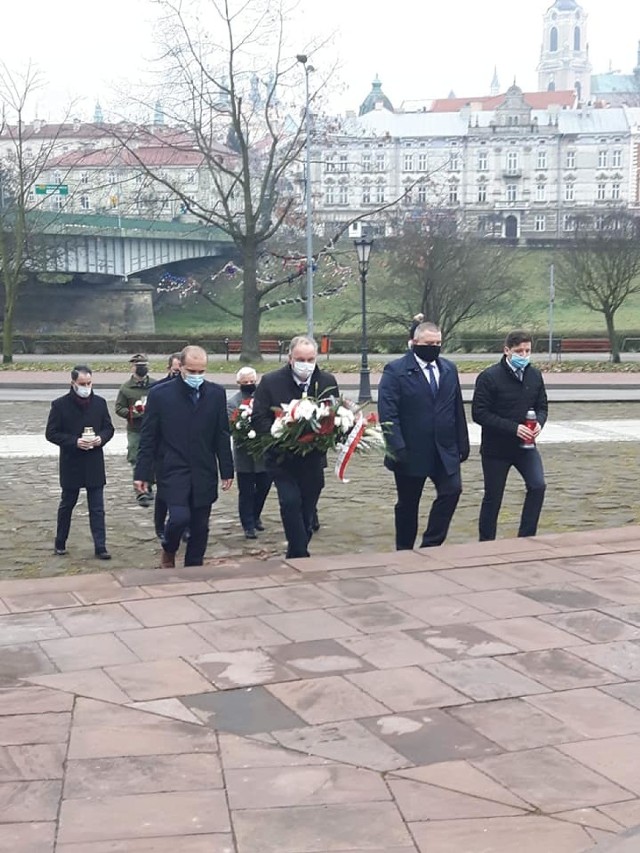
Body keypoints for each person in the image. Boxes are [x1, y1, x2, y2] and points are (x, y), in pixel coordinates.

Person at [134, 345, 234, 568]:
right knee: (179, 518)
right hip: (173, 468)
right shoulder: (161, 395)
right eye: (192, 371)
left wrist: (227, 469)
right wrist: (142, 473)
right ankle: (169, 549)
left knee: (200, 526)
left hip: (204, 468)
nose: (197, 376)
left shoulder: (216, 394)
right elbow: (148, 437)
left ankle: (194, 570)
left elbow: (221, 434)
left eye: (201, 372)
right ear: (181, 368)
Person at [378, 321, 469, 550]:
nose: (434, 347)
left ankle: (431, 543)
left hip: (444, 448)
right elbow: (388, 412)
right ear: (414, 343)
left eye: (438, 343)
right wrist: (397, 446)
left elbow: (456, 407)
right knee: (409, 504)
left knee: (452, 491)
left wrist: (463, 442)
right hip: (410, 450)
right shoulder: (396, 371)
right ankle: (405, 549)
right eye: (429, 343)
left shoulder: (448, 369)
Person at [252, 335, 339, 559]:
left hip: (313, 459)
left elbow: (334, 416)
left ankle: (300, 541)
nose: (306, 364)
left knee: (308, 507)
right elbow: (259, 418)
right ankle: (298, 552)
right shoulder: (271, 382)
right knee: (290, 502)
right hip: (282, 459)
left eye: (311, 359)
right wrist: (282, 434)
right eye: (301, 359)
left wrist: (325, 435)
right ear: (290, 358)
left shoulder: (327, 381)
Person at [472, 329, 548, 541]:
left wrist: (539, 423)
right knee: (493, 497)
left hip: (526, 447)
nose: (523, 355)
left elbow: (542, 406)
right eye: (518, 351)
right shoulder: (489, 377)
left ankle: (526, 536)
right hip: (496, 449)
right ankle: (486, 542)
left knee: (538, 485)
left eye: (527, 351)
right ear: (507, 351)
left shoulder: (534, 375)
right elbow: (479, 413)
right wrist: (513, 428)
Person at [45, 365, 115, 560]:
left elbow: (109, 428)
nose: (86, 387)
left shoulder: (99, 403)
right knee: (67, 504)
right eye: (82, 384)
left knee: (97, 508)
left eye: (89, 383)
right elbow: (51, 433)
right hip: (72, 462)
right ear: (73, 383)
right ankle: (60, 542)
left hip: (94, 462)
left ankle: (100, 546)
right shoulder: (60, 405)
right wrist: (74, 442)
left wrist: (100, 439)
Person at [227, 367, 273, 539]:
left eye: (252, 382)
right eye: (245, 382)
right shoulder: (232, 403)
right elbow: (231, 427)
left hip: (263, 452)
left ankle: (255, 515)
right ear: (238, 383)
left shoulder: (262, 400)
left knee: (263, 487)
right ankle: (247, 524)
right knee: (246, 491)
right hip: (244, 454)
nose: (249, 385)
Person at [115, 353, 157, 507]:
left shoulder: (155, 385)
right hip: (135, 429)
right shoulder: (126, 388)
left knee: (152, 457)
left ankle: (149, 485)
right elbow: (119, 408)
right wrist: (132, 413)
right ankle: (141, 490)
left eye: (144, 366)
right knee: (136, 457)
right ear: (132, 367)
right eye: (138, 366)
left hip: (152, 428)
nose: (141, 369)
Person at [148, 352, 182, 538]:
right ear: (169, 368)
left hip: (183, 448)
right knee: (163, 492)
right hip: (162, 451)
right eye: (175, 369)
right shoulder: (157, 389)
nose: (177, 373)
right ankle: (160, 526)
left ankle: (183, 527)